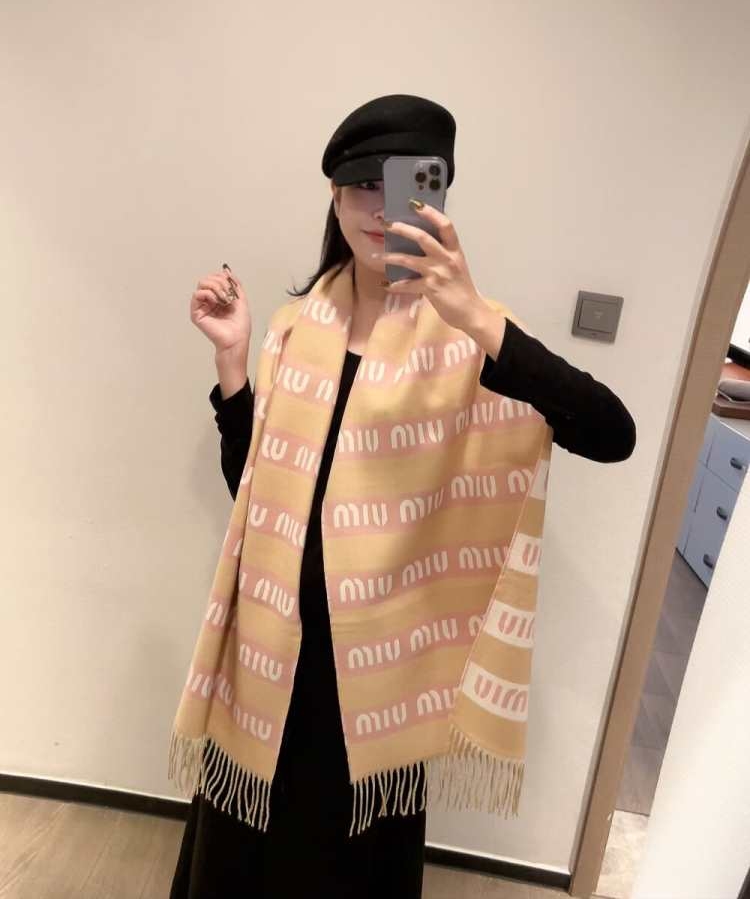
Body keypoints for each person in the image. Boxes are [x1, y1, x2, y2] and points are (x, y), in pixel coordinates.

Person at [169, 94, 636, 899]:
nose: (381, 211)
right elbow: (250, 491)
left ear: (437, 194)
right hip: (270, 657)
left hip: (381, 674)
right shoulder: (294, 328)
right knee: (239, 866)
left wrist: (476, 317)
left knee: (349, 874)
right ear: (334, 198)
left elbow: (611, 432)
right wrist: (235, 364)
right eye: (362, 187)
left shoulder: (473, 336)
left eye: (405, 186)